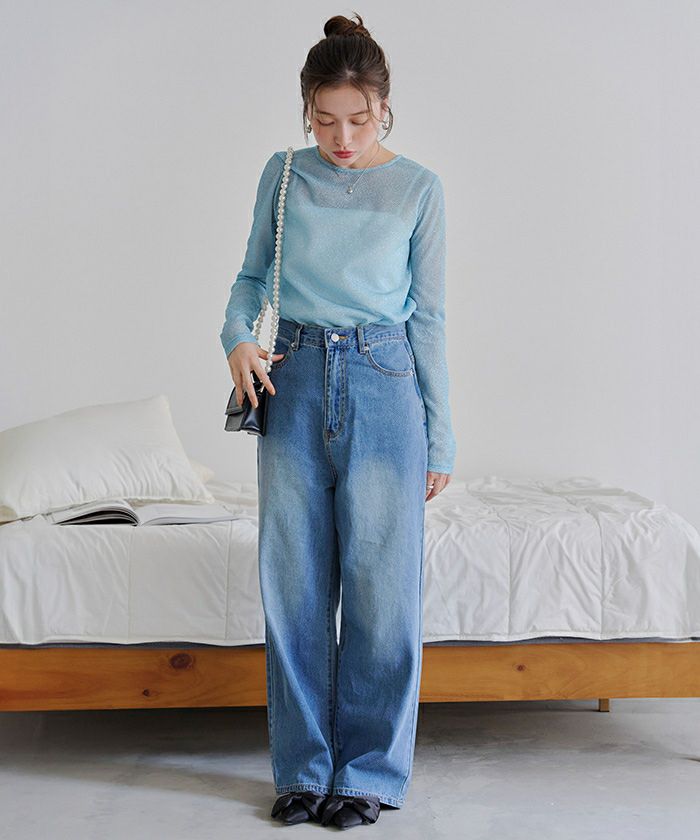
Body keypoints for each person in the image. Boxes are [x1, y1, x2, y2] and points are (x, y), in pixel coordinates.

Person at [220, 13, 456, 830]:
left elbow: (430, 319)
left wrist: (442, 436)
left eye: (359, 119)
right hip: (291, 376)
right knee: (293, 583)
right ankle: (302, 770)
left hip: (386, 383)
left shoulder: (419, 188)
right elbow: (250, 278)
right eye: (324, 120)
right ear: (306, 111)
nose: (342, 138)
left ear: (384, 106)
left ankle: (369, 776)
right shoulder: (284, 174)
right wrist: (236, 340)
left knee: (383, 592)